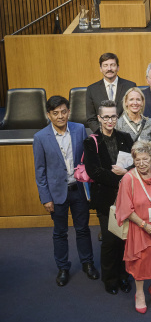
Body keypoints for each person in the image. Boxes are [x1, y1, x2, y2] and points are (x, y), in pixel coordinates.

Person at [33, 95, 98, 286]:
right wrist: (45, 198)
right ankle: (63, 267)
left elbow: (87, 159)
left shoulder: (79, 129)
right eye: (55, 113)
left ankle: (87, 263)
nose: (60, 116)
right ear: (49, 115)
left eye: (63, 112)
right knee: (60, 232)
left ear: (69, 111)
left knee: (83, 229)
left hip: (79, 189)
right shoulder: (40, 137)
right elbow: (40, 171)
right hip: (56, 193)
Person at [114, 140, 151, 314]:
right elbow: (125, 208)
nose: (141, 163)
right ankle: (139, 293)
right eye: (137, 160)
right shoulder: (128, 178)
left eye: (145, 159)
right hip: (139, 228)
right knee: (140, 263)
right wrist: (145, 225)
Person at [84, 100, 134, 295]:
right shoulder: (91, 142)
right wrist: (121, 179)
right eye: (106, 117)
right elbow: (94, 171)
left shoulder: (126, 137)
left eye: (113, 116)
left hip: (127, 197)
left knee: (125, 239)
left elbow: (134, 164)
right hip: (105, 198)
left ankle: (123, 276)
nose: (110, 120)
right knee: (110, 240)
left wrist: (126, 173)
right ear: (99, 118)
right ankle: (110, 278)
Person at [85, 52, 136, 130]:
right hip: (102, 133)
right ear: (101, 69)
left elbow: (135, 114)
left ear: (118, 68)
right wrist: (103, 134)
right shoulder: (92, 89)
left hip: (126, 132)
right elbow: (91, 119)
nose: (109, 69)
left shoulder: (130, 86)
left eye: (112, 65)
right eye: (105, 65)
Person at [116, 87, 151, 165]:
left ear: (142, 102)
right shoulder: (118, 124)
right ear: (126, 102)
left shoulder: (150, 123)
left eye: (138, 99)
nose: (135, 103)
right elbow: (116, 151)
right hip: (126, 169)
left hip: (148, 168)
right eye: (131, 99)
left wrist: (150, 166)